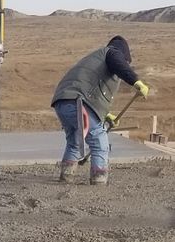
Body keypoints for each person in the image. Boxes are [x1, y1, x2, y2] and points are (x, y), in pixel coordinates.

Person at [51, 36, 149, 185]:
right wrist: (136, 81)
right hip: (80, 102)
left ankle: (66, 176)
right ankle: (99, 180)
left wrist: (106, 115)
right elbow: (119, 65)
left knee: (74, 142)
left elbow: (88, 87)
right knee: (99, 142)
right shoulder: (112, 53)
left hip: (63, 102)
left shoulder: (95, 58)